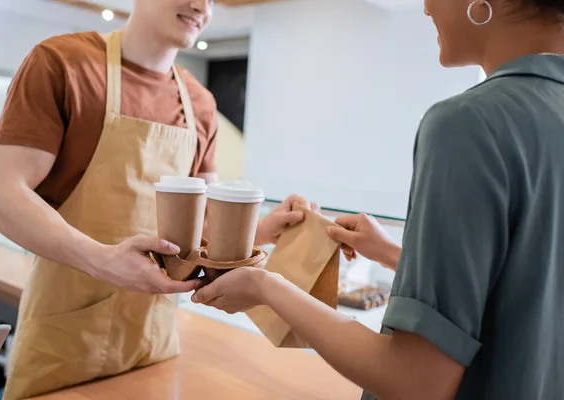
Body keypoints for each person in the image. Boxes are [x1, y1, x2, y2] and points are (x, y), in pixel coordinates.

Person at [192, 0, 564, 399]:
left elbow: (413, 380)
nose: (425, 8)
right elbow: (527, 292)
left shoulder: (469, 125)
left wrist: (268, 287)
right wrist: (392, 254)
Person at [0, 0, 315, 398]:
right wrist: (101, 260)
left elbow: (203, 226)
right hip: (63, 341)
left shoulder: (201, 104)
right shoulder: (62, 64)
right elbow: (3, 197)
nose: (201, 7)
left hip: (152, 344)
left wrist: (261, 230)